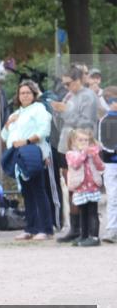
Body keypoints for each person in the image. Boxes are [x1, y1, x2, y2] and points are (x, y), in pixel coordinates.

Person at [0, 81, 53, 240]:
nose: (25, 95)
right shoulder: (15, 114)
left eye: (28, 93)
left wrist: (27, 141)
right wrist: (8, 124)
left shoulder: (39, 109)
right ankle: (30, 227)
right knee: (26, 192)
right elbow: (4, 137)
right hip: (17, 156)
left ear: (34, 95)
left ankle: (45, 229)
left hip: (33, 152)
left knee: (38, 191)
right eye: (22, 93)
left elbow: (44, 130)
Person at [53, 66, 101, 242]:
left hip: (80, 147)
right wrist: (59, 111)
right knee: (71, 187)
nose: (66, 87)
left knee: (82, 187)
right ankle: (75, 228)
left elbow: (85, 122)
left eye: (69, 83)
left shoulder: (88, 96)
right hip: (66, 145)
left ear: (79, 80)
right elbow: (62, 121)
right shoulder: (70, 95)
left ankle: (86, 231)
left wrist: (64, 110)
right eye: (64, 84)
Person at [64, 129, 105, 247]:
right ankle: (84, 235)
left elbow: (101, 167)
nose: (83, 142)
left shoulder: (92, 153)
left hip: (92, 188)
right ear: (73, 142)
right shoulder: (70, 154)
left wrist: (95, 156)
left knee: (93, 213)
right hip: (80, 189)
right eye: (80, 140)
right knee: (83, 213)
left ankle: (94, 237)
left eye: (86, 140)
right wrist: (84, 153)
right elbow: (76, 164)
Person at [100, 88, 117, 243]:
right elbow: (105, 144)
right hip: (111, 164)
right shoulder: (105, 120)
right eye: (112, 101)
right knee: (112, 197)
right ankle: (112, 229)